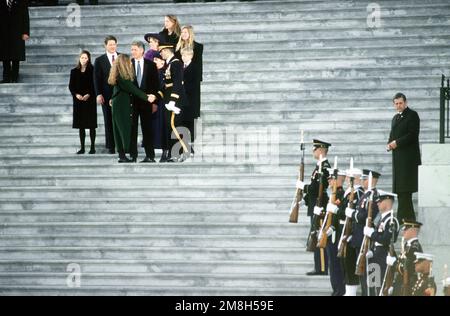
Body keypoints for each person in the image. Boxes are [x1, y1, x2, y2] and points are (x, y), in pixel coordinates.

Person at [107, 54, 154, 163]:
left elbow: (116, 90)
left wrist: (112, 99)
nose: (131, 63)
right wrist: (147, 97)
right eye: (129, 62)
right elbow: (133, 89)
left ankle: (122, 155)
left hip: (119, 103)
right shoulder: (122, 76)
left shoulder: (119, 74)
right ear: (124, 63)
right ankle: (122, 155)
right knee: (122, 129)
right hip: (121, 105)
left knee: (119, 129)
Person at [296, 139, 331, 276]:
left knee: (319, 235)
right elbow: (315, 189)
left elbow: (317, 188)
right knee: (315, 235)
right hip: (315, 205)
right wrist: (304, 201)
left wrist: (303, 186)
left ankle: (322, 267)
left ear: (321, 150)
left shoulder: (325, 167)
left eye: (315, 149)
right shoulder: (319, 167)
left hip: (320, 206)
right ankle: (319, 266)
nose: (313, 151)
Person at [387, 92, 421, 223]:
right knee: (401, 191)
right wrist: (389, 143)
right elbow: (392, 134)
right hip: (398, 160)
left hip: (408, 161)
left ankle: (402, 219)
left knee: (405, 191)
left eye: (401, 103)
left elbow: (413, 134)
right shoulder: (395, 118)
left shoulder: (412, 115)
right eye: (396, 104)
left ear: (405, 103)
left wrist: (397, 143)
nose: (398, 106)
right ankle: (408, 219)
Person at [347, 169, 381, 296]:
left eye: (364, 179)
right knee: (362, 271)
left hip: (366, 238)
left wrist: (353, 214)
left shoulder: (374, 196)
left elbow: (365, 216)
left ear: (371, 180)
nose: (361, 181)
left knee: (369, 272)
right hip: (359, 237)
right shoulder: (366, 195)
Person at [363, 190, 399, 296]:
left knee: (382, 288)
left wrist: (372, 234)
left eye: (380, 201)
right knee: (373, 285)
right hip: (376, 254)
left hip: (384, 256)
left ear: (388, 202)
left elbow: (386, 239)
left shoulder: (391, 221)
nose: (378, 203)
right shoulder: (382, 219)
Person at [129, 41, 160, 163]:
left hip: (147, 102)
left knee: (147, 129)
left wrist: (155, 101)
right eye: (132, 49)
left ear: (142, 50)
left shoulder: (151, 65)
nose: (133, 52)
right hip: (132, 102)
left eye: (135, 49)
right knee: (132, 129)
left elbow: (155, 84)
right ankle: (133, 155)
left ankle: (150, 156)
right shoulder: (128, 64)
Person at [157, 42, 188, 163]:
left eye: (162, 51)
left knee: (174, 126)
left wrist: (173, 101)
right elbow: (166, 85)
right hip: (168, 98)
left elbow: (177, 83)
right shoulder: (169, 64)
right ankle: (172, 153)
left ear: (167, 50)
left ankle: (181, 152)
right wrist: (158, 95)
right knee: (169, 126)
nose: (161, 53)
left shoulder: (176, 63)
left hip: (175, 100)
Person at [337, 167, 365, 296]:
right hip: (346, 230)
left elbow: (356, 216)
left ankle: (351, 292)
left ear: (357, 179)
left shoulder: (359, 193)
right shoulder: (349, 192)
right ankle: (349, 291)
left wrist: (339, 211)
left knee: (350, 262)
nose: (347, 179)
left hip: (352, 232)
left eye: (350, 177)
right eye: (347, 177)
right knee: (346, 262)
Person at [94, 35, 119, 154]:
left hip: (121, 95)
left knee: (121, 120)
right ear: (105, 46)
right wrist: (98, 94)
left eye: (114, 44)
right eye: (110, 44)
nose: (112, 46)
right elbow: (96, 79)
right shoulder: (99, 60)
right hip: (106, 95)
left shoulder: (122, 57)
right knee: (108, 120)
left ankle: (123, 144)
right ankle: (111, 146)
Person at [69, 50, 97, 155]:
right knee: (81, 126)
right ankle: (82, 147)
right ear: (79, 58)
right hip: (78, 101)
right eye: (82, 58)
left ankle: (92, 147)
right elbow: (71, 86)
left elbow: (95, 84)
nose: (83, 60)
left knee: (91, 125)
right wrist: (76, 94)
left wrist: (89, 94)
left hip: (89, 100)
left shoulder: (93, 70)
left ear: (89, 59)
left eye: (85, 58)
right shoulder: (74, 71)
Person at [323, 168, 347, 296]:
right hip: (331, 233)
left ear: (338, 180)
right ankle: (336, 289)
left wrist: (332, 228)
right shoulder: (333, 194)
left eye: (331, 178)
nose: (329, 181)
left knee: (336, 264)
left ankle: (339, 290)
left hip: (336, 234)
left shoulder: (340, 194)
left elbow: (339, 217)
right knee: (332, 264)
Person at [389, 219, 423, 296]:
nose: (403, 231)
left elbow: (407, 268)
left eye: (406, 229)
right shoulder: (407, 245)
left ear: (413, 230)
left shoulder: (414, 247)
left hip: (408, 285)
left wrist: (394, 263)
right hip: (401, 284)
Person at [0, 0, 30, 83]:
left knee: (16, 56)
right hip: (3, 33)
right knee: (5, 56)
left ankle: (14, 77)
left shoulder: (21, 2)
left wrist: (26, 32)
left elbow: (25, 17)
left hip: (17, 33)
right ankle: (6, 78)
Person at [181, 47, 200, 153]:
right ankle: (185, 145)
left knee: (190, 124)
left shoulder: (195, 67)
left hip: (191, 101)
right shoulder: (181, 66)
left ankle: (190, 146)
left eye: (186, 55)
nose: (184, 57)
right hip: (183, 100)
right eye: (183, 55)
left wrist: (182, 86)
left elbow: (194, 85)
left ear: (191, 56)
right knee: (183, 123)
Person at [152, 52, 168, 156]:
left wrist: (155, 100)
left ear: (162, 61)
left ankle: (164, 151)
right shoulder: (154, 72)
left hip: (161, 103)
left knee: (162, 127)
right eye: (154, 60)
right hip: (154, 103)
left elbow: (162, 88)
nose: (154, 62)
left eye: (156, 60)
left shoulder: (163, 72)